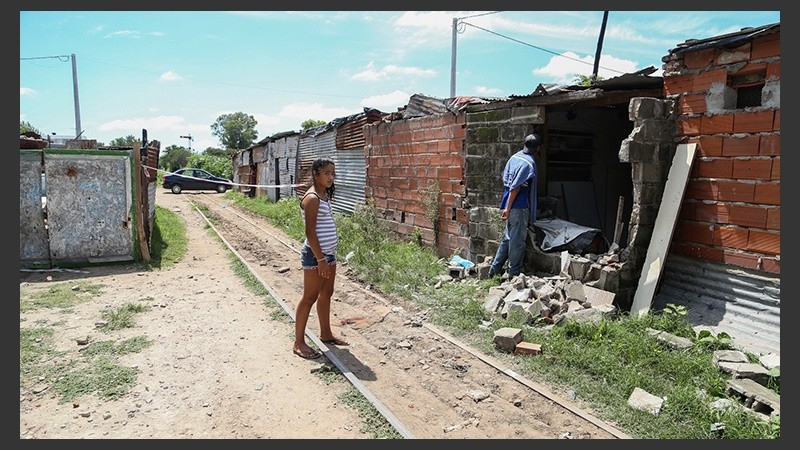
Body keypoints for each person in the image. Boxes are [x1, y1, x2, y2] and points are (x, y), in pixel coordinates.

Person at [293, 157, 350, 359]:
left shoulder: (324, 195)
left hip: (328, 254)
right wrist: (320, 260)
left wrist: (327, 257)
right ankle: (299, 343)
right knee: (309, 297)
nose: (331, 177)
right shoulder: (312, 199)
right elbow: (310, 233)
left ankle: (326, 333)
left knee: (327, 293)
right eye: (326, 173)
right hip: (315, 257)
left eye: (332, 173)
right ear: (316, 174)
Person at [487, 133, 540, 279]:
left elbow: (505, 178)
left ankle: (494, 270)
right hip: (519, 207)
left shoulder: (514, 157)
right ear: (538, 148)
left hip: (509, 205)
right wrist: (508, 208)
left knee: (508, 239)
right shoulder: (529, 163)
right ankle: (513, 275)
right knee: (517, 242)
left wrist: (505, 206)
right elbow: (515, 187)